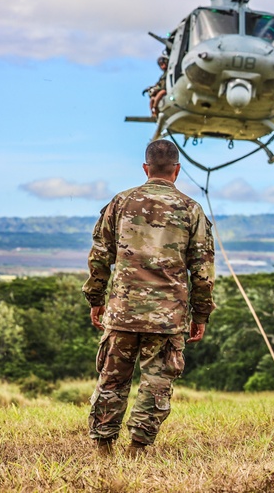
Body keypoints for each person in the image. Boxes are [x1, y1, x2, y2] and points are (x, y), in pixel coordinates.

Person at [84, 139, 215, 457]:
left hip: (123, 312)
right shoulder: (190, 209)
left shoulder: (121, 202)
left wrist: (96, 297)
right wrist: (201, 315)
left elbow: (101, 255)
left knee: (112, 379)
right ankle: (138, 447)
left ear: (146, 168)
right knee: (157, 381)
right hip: (167, 318)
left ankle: (103, 447)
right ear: (177, 170)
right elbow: (202, 269)